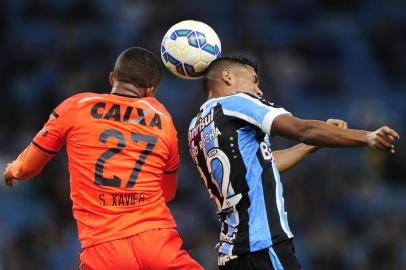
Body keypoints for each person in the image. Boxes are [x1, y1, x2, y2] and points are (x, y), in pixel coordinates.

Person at [187, 56, 400, 270]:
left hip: (231, 255)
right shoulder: (236, 103)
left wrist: (311, 146)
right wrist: (367, 137)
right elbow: (303, 130)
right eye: (254, 80)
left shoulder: (195, 127)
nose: (259, 90)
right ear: (227, 76)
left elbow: (259, 165)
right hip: (263, 245)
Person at [4, 47, 203, 270]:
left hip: (104, 250)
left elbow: (27, 169)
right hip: (157, 243)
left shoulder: (76, 107)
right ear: (151, 91)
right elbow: (168, 192)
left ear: (112, 78)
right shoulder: (163, 119)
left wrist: (14, 169)